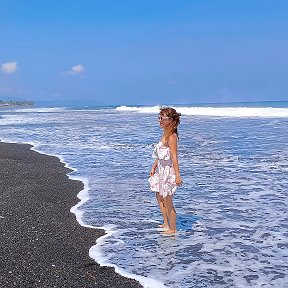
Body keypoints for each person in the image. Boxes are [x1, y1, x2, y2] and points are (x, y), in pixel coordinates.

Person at [148, 107, 182, 234]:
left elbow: (174, 157)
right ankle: (166, 223)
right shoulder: (165, 134)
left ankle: (172, 229)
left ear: (171, 120)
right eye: (159, 117)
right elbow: (160, 155)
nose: (160, 120)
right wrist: (154, 166)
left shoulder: (172, 136)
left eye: (162, 118)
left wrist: (177, 175)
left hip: (168, 171)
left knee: (168, 200)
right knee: (159, 197)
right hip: (161, 170)